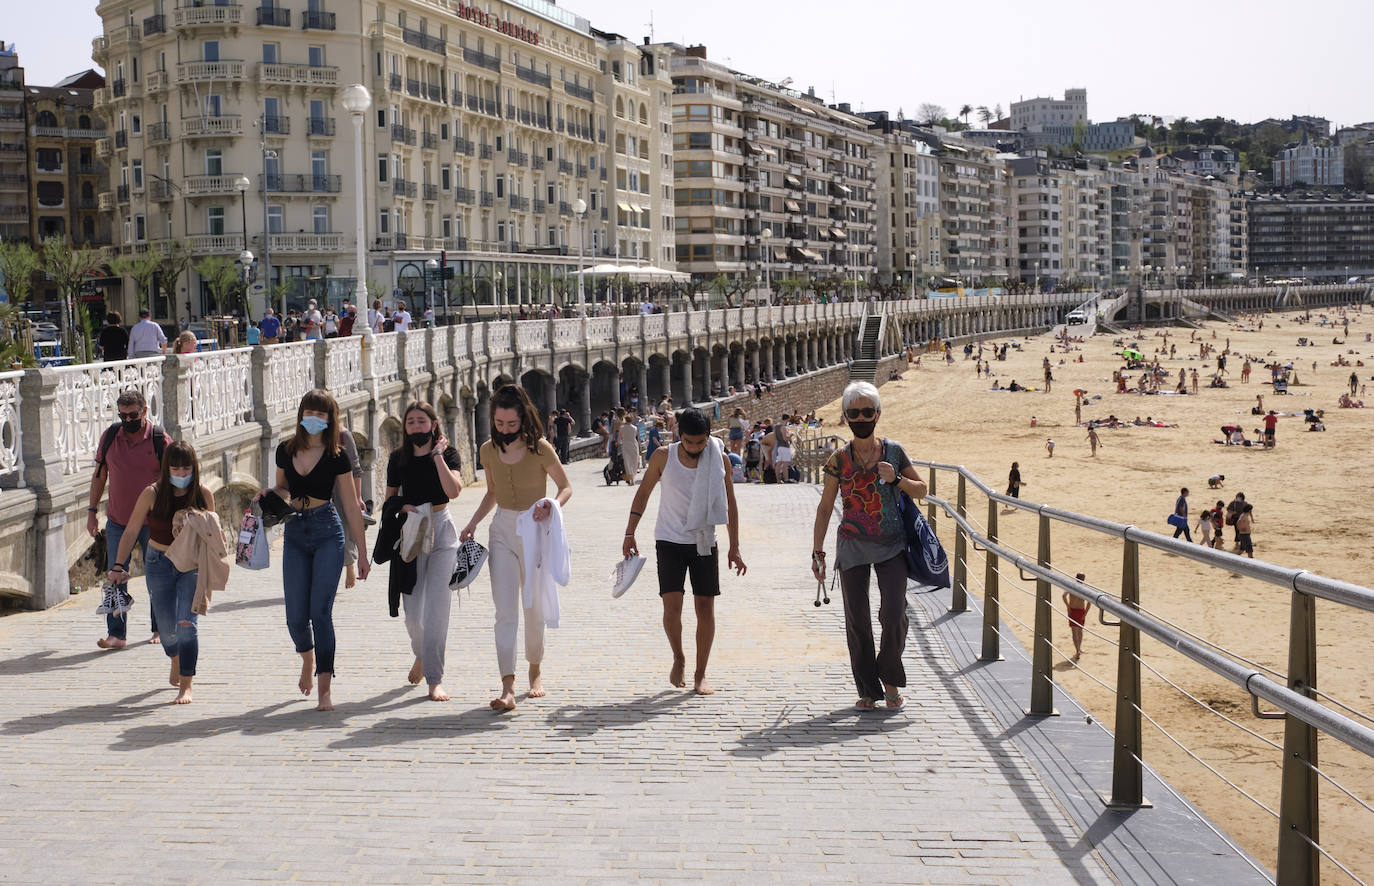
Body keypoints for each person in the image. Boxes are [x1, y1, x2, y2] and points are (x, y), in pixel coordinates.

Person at [811, 382, 927, 711]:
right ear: (846, 417)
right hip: (851, 545)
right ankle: (868, 690)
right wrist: (817, 552)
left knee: (893, 614)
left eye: (866, 412)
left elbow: (922, 490)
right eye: (854, 413)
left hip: (891, 545)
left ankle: (889, 679)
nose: (861, 418)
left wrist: (896, 480)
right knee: (857, 620)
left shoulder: (894, 452)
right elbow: (824, 508)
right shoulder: (839, 459)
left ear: (878, 414)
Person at [460, 385, 573, 713]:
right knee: (505, 610)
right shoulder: (487, 450)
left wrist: (550, 505)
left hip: (535, 531)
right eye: (499, 424)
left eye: (511, 424)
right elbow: (492, 492)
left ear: (523, 419)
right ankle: (507, 687)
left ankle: (534, 670)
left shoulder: (541, 448)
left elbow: (565, 487)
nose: (505, 430)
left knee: (533, 607)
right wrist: (472, 523)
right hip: (502, 531)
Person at [260, 390, 371, 711]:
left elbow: (350, 505)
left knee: (320, 612)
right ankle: (307, 659)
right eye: (310, 412)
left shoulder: (337, 455)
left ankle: (325, 688)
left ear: (330, 419)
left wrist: (362, 554)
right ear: (301, 415)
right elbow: (282, 487)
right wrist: (268, 494)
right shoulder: (285, 450)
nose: (315, 418)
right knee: (295, 616)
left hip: (327, 531)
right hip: (295, 531)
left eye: (322, 414)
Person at [624, 407, 746, 695]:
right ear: (679, 435)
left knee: (705, 608)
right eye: (689, 442)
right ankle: (678, 656)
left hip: (704, 540)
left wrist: (735, 547)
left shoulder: (720, 460)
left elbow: (730, 503)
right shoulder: (662, 457)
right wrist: (629, 533)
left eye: (700, 442)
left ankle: (701, 673)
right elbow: (642, 494)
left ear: (708, 437)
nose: (694, 448)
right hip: (669, 540)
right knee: (672, 607)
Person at [106, 441, 216, 704]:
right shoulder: (152, 494)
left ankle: (186, 685)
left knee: (187, 625)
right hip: (159, 561)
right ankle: (175, 659)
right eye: (175, 468)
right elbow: (131, 530)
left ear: (195, 468)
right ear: (166, 469)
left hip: (191, 565)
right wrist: (118, 565)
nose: (180, 474)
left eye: (186, 468)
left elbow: (213, 534)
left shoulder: (203, 493)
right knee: (166, 629)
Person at [385, 401, 464, 701]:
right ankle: (421, 652)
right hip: (412, 530)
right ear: (405, 428)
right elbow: (388, 500)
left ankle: (435, 678)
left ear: (433, 424)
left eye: (421, 421)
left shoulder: (448, 453)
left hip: (442, 527)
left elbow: (453, 491)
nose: (416, 427)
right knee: (413, 615)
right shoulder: (398, 459)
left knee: (437, 608)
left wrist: (438, 457)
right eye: (410, 422)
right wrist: (401, 506)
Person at [88, 389, 167, 649]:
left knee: (156, 577)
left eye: (132, 415)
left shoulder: (158, 439)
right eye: (122, 415)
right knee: (115, 575)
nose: (127, 420)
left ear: (144, 411)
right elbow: (100, 475)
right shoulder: (111, 436)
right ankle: (117, 635)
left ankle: (159, 628)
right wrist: (91, 513)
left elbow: (174, 478)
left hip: (152, 522)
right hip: (118, 520)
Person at [1063, 573, 1090, 662]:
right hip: (1080, 611)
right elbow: (1089, 602)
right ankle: (1079, 649)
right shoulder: (1084, 589)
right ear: (1083, 579)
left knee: (1074, 632)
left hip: (1073, 610)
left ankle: (1077, 649)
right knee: (1079, 631)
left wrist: (1068, 606)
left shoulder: (1071, 586)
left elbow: (1064, 596)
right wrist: (1085, 613)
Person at [618, 408, 641, 484]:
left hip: (625, 444)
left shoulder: (622, 428)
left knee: (627, 461)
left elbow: (619, 438)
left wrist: (617, 443)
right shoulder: (635, 428)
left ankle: (630, 477)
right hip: (633, 444)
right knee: (634, 460)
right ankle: (633, 477)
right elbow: (636, 436)